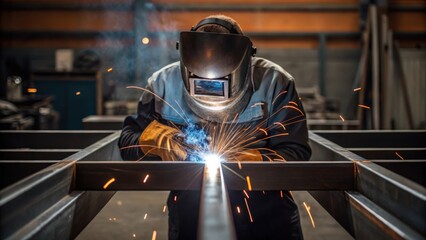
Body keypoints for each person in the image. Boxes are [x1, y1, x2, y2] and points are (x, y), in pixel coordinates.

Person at [119, 15, 311, 240]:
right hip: (189, 212)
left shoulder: (274, 82)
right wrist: (154, 141)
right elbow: (126, 144)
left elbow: (296, 152)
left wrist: (254, 161)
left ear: (245, 61)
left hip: (267, 214)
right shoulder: (162, 84)